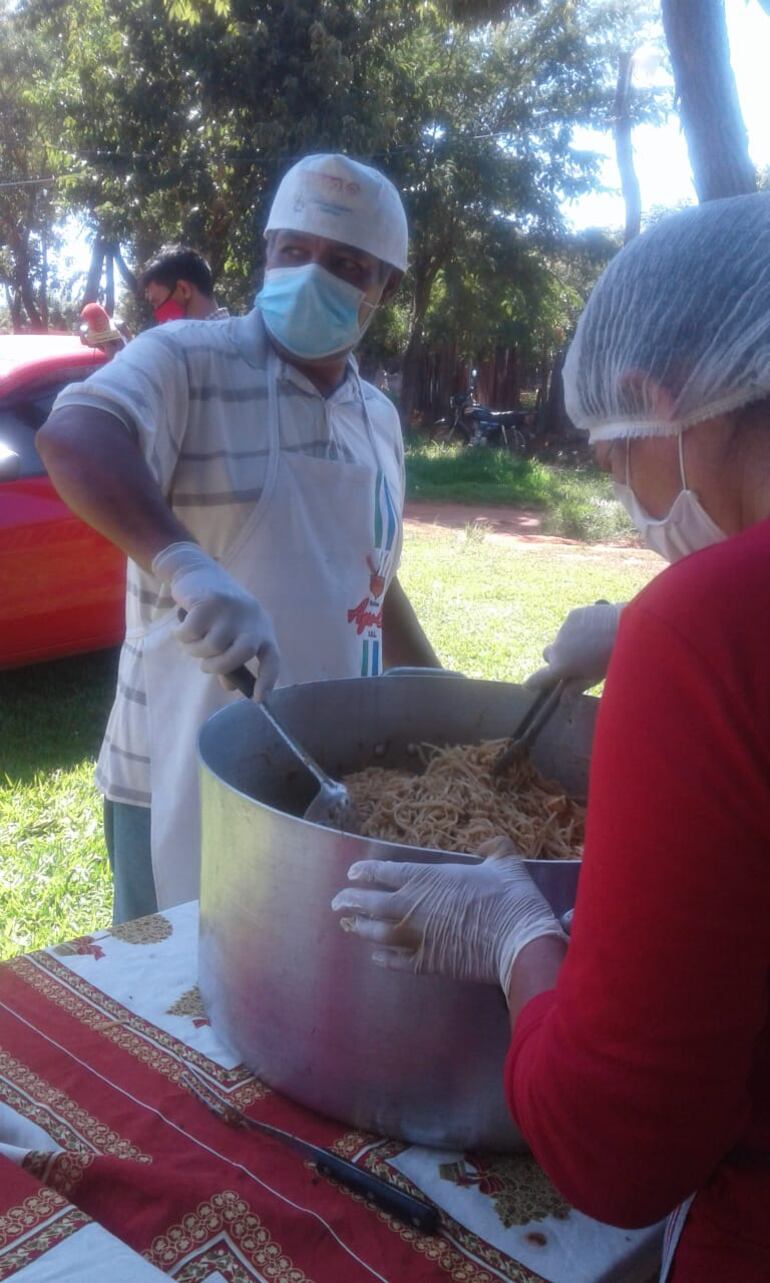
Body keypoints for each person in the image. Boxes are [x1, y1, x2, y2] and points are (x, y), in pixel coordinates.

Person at [332, 193, 770, 1282]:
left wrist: (516, 934)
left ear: (657, 397)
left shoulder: (703, 632)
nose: (626, 498)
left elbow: (613, 1146)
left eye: (613, 461)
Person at [38, 153, 438, 924]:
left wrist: (438, 693)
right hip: (173, 768)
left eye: (346, 265)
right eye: (294, 250)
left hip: (322, 777)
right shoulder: (187, 359)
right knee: (172, 981)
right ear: (267, 252)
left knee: (296, 975)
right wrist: (183, 562)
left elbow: (369, 578)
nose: (312, 275)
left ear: (383, 288)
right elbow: (75, 432)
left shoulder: (378, 418)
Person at [140, 245, 229, 322]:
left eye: (157, 303)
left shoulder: (202, 338)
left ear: (184, 289)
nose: (157, 315)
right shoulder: (235, 331)